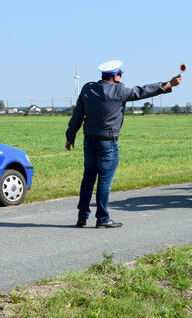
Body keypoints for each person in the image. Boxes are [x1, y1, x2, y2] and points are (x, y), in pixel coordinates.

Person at [66, 60, 182, 228]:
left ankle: (82, 216)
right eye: (119, 75)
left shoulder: (87, 89)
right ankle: (103, 218)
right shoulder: (119, 90)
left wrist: (70, 136)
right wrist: (168, 84)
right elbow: (141, 91)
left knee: (88, 179)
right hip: (108, 143)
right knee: (104, 182)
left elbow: (77, 115)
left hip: (89, 141)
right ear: (115, 77)